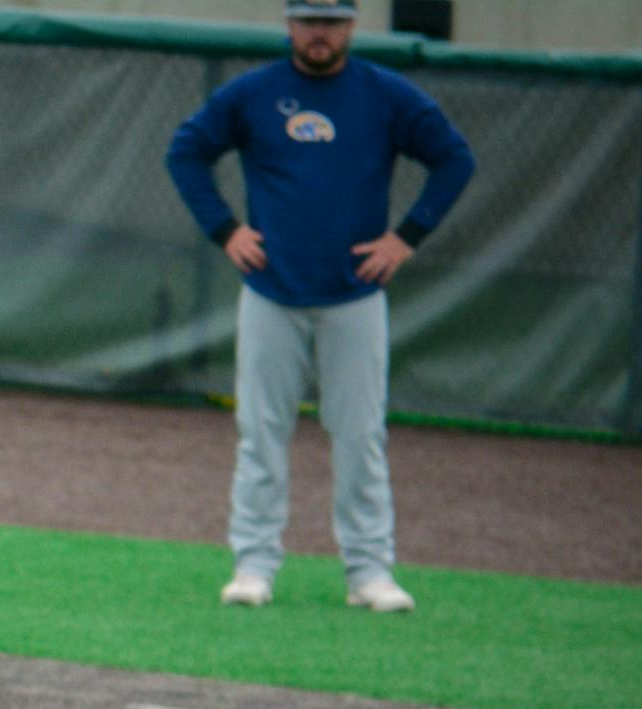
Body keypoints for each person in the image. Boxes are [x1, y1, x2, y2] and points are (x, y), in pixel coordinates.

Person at [165, 0, 474, 612]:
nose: (319, 34)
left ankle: (369, 572)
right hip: (271, 292)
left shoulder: (386, 95)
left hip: (354, 295)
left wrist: (405, 239)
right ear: (289, 25)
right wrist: (225, 230)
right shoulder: (255, 94)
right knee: (261, 433)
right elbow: (186, 150)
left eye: (331, 21)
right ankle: (253, 566)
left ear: (352, 26)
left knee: (360, 436)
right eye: (308, 20)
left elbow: (454, 159)